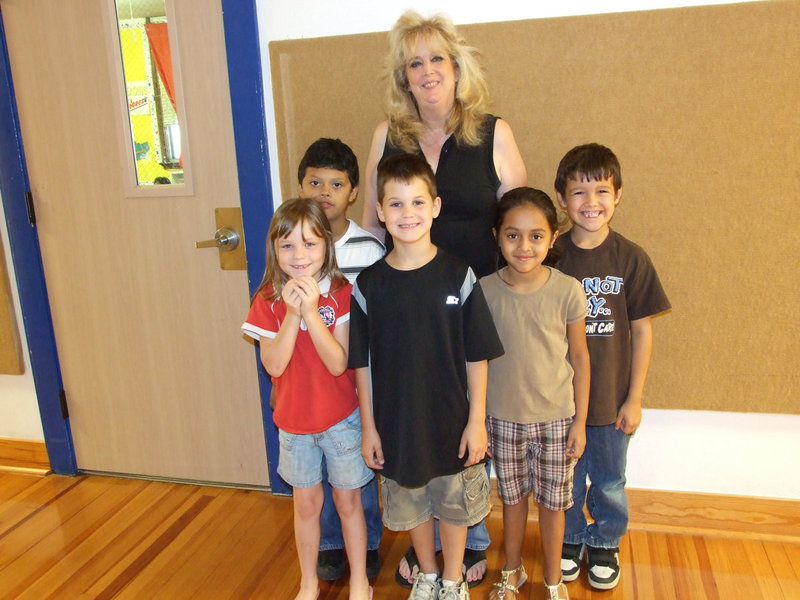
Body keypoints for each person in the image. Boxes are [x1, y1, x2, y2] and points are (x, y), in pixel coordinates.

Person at [361, 10, 527, 586]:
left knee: (472, 424)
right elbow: (369, 235)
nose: (427, 71)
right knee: (419, 423)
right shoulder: (387, 136)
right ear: (402, 76)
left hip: (478, 304)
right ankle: (429, 549)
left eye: (437, 59)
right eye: (414, 62)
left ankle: (471, 536)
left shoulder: (493, 133)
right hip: (410, 311)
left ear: (456, 67)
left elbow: (521, 221)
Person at [350, 153, 504, 600]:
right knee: (412, 501)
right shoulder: (370, 285)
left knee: (455, 504)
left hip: (453, 421)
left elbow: (479, 356)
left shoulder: (460, 276)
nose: (407, 214)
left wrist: (476, 422)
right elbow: (362, 363)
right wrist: (369, 428)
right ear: (380, 212)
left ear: (436, 206)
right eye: (395, 205)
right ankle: (429, 573)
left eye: (417, 203)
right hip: (397, 424)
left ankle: (453, 580)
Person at [241, 198, 373, 600]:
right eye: (287, 246)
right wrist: (293, 314)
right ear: (274, 250)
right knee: (305, 506)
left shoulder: (342, 293)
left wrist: (313, 313)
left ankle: (358, 581)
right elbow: (275, 366)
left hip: (341, 421)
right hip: (294, 424)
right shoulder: (267, 299)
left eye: (310, 244)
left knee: (349, 504)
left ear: (326, 247)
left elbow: (338, 364)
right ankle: (308, 582)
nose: (299, 256)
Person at [553, 144, 671, 591]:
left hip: (612, 401)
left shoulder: (631, 258)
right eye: (578, 192)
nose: (591, 202)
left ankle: (604, 540)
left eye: (601, 190)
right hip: (559, 400)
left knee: (608, 480)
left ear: (618, 195)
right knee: (563, 479)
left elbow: (642, 331)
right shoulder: (552, 255)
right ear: (562, 199)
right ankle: (570, 538)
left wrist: (635, 398)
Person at [480, 188, 590, 600]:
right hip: (502, 419)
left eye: (536, 236)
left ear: (553, 237)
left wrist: (579, 421)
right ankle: (512, 571)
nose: (524, 246)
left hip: (557, 419)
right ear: (497, 236)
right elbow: (476, 363)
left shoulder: (567, 291)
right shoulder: (484, 292)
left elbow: (579, 358)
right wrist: (478, 420)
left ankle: (553, 579)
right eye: (513, 235)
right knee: (511, 501)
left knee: (553, 504)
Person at [297, 138, 385, 581]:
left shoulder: (367, 249)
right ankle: (331, 543)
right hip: (307, 383)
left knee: (355, 468)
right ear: (300, 186)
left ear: (353, 192)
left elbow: (378, 318)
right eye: (315, 182)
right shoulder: (290, 247)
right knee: (318, 467)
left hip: (354, 381)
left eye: (336, 183)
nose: (324, 192)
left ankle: (366, 543)